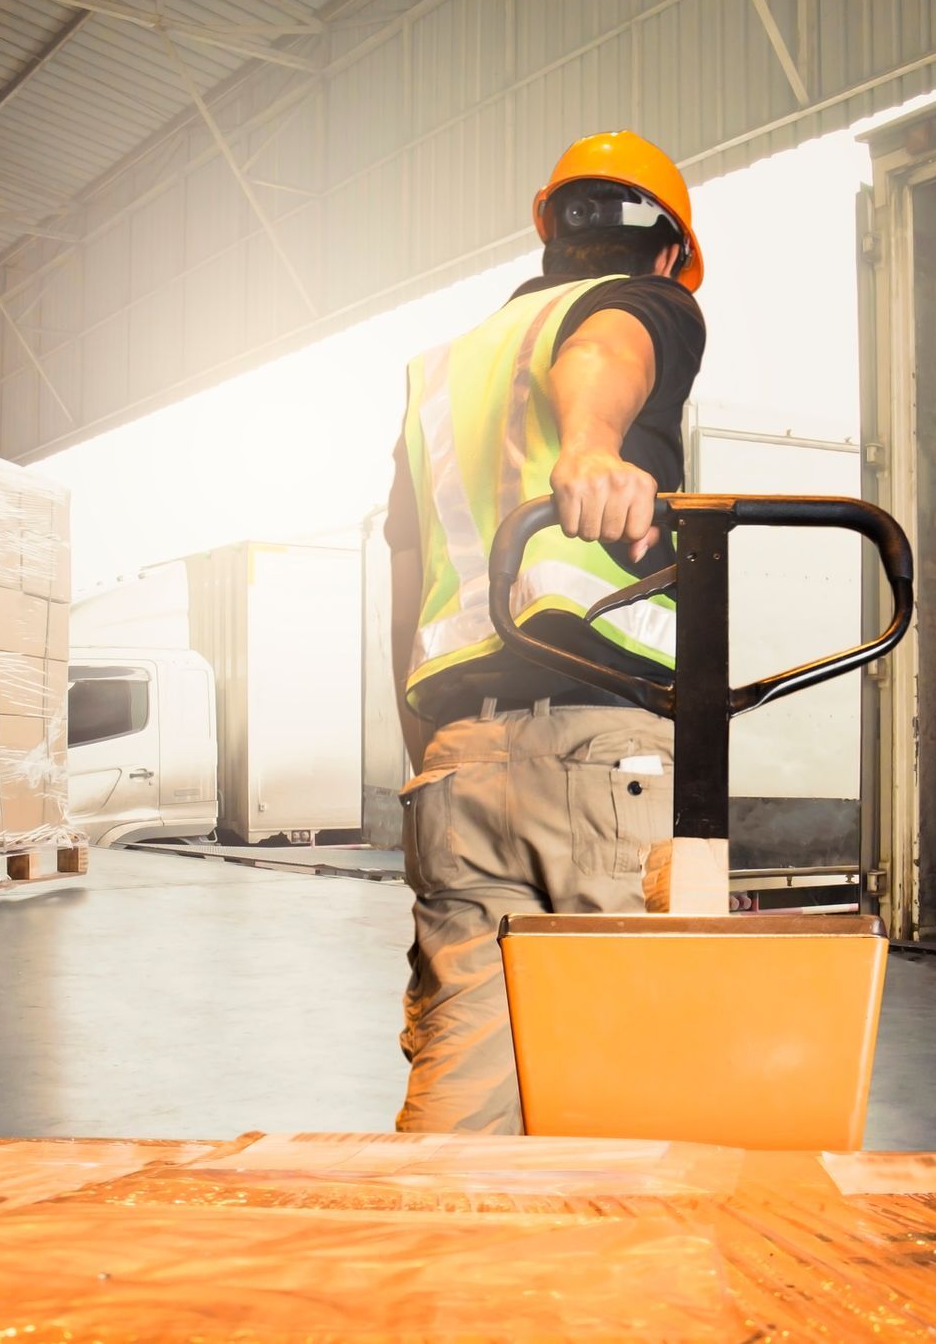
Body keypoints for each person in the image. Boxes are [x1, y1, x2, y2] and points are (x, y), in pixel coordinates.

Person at [385, 131, 707, 1133]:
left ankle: (446, 1272)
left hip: (457, 759)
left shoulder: (447, 368)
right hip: (605, 749)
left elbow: (403, 569)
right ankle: (630, 1290)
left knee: (465, 1082)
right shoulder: (648, 305)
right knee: (637, 1080)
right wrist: (591, 443)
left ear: (551, 237)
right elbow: (608, 350)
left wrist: (428, 751)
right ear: (667, 253)